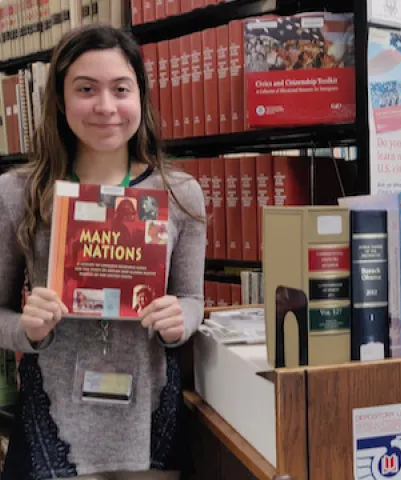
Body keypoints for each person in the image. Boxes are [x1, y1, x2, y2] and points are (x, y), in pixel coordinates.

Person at [0, 25, 206, 479]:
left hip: (148, 418)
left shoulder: (180, 194)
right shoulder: (18, 193)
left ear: (141, 97)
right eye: (86, 89)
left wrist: (180, 320)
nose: (106, 107)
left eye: (121, 89)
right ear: (59, 99)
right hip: (53, 419)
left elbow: (193, 300)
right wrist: (26, 331)